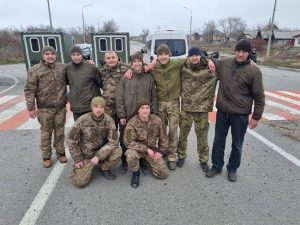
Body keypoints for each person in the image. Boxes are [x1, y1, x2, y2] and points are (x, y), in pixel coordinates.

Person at [206, 39, 265, 182]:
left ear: (249, 53)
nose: (240, 54)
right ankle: (216, 166)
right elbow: (209, 60)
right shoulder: (225, 63)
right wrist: (208, 60)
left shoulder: (254, 71)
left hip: (240, 115)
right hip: (223, 112)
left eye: (244, 51)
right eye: (238, 50)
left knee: (237, 144)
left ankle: (232, 169)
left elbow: (259, 96)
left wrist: (256, 117)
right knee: (218, 141)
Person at [24, 46, 68, 168]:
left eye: (52, 53)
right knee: (46, 133)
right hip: (44, 109)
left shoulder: (62, 68)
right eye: (47, 54)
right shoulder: (35, 70)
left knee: (60, 133)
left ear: (56, 55)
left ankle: (60, 153)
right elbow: (29, 90)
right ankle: (46, 156)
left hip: (60, 107)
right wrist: (31, 108)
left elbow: (76, 70)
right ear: (43, 55)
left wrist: (89, 62)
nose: (50, 56)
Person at [116, 52, 158, 173]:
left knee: (144, 137)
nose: (137, 63)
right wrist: (122, 115)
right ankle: (125, 160)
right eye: (134, 61)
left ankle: (142, 160)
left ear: (142, 62)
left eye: (139, 61)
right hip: (128, 115)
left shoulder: (148, 77)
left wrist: (154, 112)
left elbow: (154, 96)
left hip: (144, 115)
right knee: (126, 136)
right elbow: (119, 98)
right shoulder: (125, 78)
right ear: (131, 63)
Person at [177, 47, 218, 172]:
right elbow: (166, 64)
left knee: (202, 137)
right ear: (188, 56)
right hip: (186, 109)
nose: (194, 57)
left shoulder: (211, 68)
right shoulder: (182, 67)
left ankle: (203, 159)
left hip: (202, 110)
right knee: (183, 136)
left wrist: (210, 59)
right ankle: (181, 156)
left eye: (197, 55)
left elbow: (230, 64)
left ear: (201, 56)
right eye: (192, 55)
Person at [67, 97, 122, 188]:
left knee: (118, 151)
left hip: (102, 153)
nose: (99, 109)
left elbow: (114, 141)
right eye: (96, 106)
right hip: (86, 155)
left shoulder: (109, 120)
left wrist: (98, 156)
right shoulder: (82, 120)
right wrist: (77, 159)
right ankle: (80, 168)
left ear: (104, 108)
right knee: (79, 183)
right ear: (92, 107)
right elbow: (70, 139)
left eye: (101, 107)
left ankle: (104, 167)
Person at [124, 100, 169, 188]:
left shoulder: (157, 120)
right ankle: (136, 173)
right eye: (142, 108)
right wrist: (146, 149)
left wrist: (161, 151)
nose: (145, 110)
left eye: (147, 108)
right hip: (137, 150)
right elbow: (128, 141)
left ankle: (145, 161)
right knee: (130, 155)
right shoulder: (131, 122)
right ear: (138, 110)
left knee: (163, 174)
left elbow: (164, 138)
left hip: (152, 150)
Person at [99, 50, 131, 172]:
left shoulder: (126, 68)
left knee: (125, 134)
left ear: (118, 58)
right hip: (108, 108)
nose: (111, 60)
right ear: (105, 60)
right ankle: (110, 159)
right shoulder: (102, 71)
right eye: (108, 58)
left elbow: (140, 67)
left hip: (123, 107)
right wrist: (90, 63)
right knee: (110, 135)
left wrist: (151, 63)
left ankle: (124, 159)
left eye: (113, 57)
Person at [65, 45, 102, 121]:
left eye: (78, 54)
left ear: (81, 55)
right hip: (76, 106)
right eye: (73, 55)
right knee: (79, 129)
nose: (76, 57)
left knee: (92, 129)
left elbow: (100, 83)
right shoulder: (67, 68)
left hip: (90, 105)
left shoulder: (91, 67)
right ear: (70, 56)